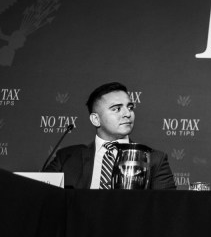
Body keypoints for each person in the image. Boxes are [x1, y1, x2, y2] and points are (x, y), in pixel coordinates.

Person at [46, 81, 176, 190]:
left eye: (130, 107)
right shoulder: (66, 158)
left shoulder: (154, 159)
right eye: (116, 109)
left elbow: (166, 209)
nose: (127, 114)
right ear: (95, 119)